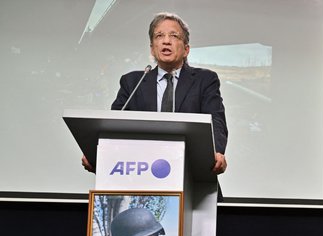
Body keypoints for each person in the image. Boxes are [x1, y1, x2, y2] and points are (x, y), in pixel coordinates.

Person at [82, 11, 228, 175]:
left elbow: (215, 120)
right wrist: (99, 153)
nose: (166, 41)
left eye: (174, 36)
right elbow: (114, 124)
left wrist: (216, 151)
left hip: (191, 171)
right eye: (159, 36)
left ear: (186, 49)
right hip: (141, 173)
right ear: (152, 49)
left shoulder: (205, 79)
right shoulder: (132, 82)